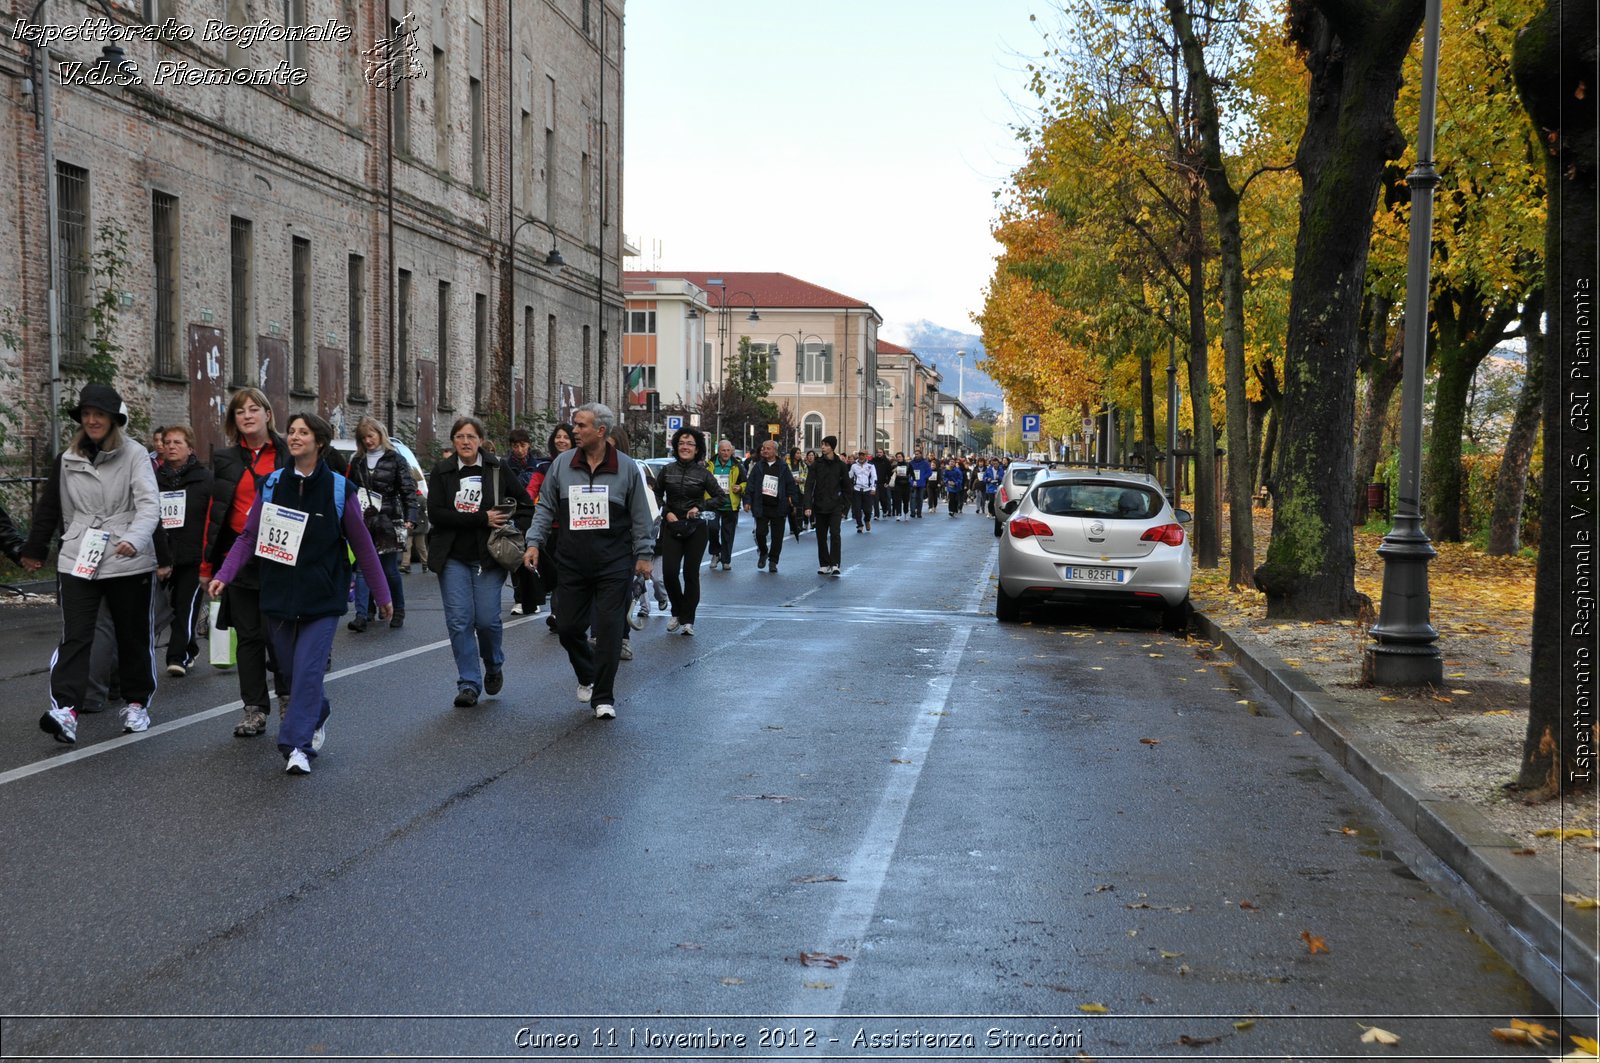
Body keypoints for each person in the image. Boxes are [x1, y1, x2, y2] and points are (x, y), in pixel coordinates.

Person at [208, 412, 391, 774]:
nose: (294, 437)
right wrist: (224, 575)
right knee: (290, 672)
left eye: (303, 433)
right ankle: (318, 711)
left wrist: (383, 595)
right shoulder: (273, 484)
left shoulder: (340, 489)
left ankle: (297, 747)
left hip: (322, 597)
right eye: (291, 432)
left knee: (308, 671)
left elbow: (364, 545)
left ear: (319, 442)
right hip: (277, 595)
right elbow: (249, 537)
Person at [21, 384, 160, 743]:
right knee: (75, 636)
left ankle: (135, 703)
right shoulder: (67, 458)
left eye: (99, 414)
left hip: (127, 556)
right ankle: (66, 710)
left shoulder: (135, 455)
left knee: (131, 636)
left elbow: (149, 505)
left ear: (114, 419)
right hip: (80, 555)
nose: (92, 420)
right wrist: (35, 549)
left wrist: (134, 538)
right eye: (86, 414)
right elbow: (51, 505)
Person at [523, 403, 655, 721]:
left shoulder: (626, 468)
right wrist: (534, 542)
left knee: (609, 631)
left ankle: (603, 697)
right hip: (571, 560)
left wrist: (644, 555)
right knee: (567, 627)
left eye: (581, 425)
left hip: (614, 562)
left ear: (600, 430)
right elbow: (546, 508)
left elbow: (641, 516)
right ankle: (586, 673)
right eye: (574, 425)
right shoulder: (562, 465)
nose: (574, 431)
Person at [204, 387, 293, 738]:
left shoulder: (287, 452)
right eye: (240, 412)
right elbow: (216, 512)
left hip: (281, 557)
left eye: (254, 409)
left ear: (268, 414)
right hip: (239, 558)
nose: (247, 416)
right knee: (249, 638)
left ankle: (287, 697)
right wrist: (207, 565)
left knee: (280, 634)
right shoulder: (226, 459)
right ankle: (254, 709)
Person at [427, 415, 527, 707]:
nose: (466, 442)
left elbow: (525, 504)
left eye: (471, 437)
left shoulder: (496, 468)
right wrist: (481, 518)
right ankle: (469, 683)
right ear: (453, 442)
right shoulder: (443, 471)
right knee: (459, 622)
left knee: (486, 620)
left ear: (481, 441)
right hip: (453, 557)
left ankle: (493, 664)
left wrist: (513, 529)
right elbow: (437, 514)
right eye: (460, 437)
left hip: (490, 556)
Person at [652, 426, 725, 635]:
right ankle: (677, 610)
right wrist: (666, 512)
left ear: (697, 449)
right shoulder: (667, 471)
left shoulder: (703, 473)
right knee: (670, 572)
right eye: (682, 443)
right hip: (672, 526)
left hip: (695, 528)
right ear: (676, 446)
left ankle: (688, 620)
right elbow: (655, 495)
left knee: (691, 574)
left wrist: (699, 508)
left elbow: (721, 497)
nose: (685, 447)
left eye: (690, 444)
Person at [346, 417, 416, 632]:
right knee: (362, 567)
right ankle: (362, 614)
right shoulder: (357, 461)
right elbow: (351, 490)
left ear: (380, 434)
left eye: (371, 435)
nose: (368, 441)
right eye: (364, 437)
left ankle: (398, 609)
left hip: (389, 520)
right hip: (364, 520)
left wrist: (410, 516)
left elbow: (407, 490)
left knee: (389, 569)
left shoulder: (396, 459)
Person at [155, 423, 214, 676]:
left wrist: (210, 555)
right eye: (167, 442)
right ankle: (189, 645)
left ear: (190, 448)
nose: (171, 447)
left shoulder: (204, 479)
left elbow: (212, 519)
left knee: (185, 605)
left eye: (177, 442)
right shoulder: (153, 479)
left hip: (192, 554)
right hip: (161, 553)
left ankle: (176, 656)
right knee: (160, 608)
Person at [529, 423, 574, 632]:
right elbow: (532, 491)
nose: (561, 440)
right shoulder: (543, 467)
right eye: (558, 436)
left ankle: (565, 611)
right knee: (555, 571)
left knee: (568, 570)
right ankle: (557, 612)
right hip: (549, 527)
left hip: (572, 527)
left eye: (566, 437)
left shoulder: (578, 465)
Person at [743, 438, 800, 573]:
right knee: (760, 533)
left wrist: (793, 500)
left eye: (768, 448)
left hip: (779, 507)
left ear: (775, 451)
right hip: (761, 506)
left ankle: (773, 561)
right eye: (763, 448)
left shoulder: (783, 467)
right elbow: (750, 485)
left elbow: (790, 485)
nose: (765, 451)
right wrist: (747, 502)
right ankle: (763, 552)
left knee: (777, 537)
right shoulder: (758, 466)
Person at [504, 427, 543, 617]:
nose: (519, 450)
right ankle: (519, 599)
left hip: (533, 516)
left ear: (529, 445)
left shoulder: (536, 466)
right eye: (515, 446)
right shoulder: (506, 466)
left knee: (532, 556)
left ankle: (533, 598)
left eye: (523, 445)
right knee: (515, 558)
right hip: (513, 516)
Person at [803, 436, 849, 575]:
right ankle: (824, 563)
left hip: (835, 506)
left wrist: (845, 509)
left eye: (826, 445)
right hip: (819, 505)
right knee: (821, 536)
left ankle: (835, 563)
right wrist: (807, 506)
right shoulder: (817, 464)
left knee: (835, 534)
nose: (823, 447)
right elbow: (809, 485)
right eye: (822, 444)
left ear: (832, 447)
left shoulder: (840, 465)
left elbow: (847, 487)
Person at [706, 439, 744, 571]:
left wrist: (740, 488)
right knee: (712, 528)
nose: (726, 453)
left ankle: (726, 560)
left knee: (728, 534)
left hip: (730, 504)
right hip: (713, 504)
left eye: (728, 450)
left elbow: (745, 482)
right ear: (718, 451)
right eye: (723, 450)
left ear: (731, 451)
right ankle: (716, 553)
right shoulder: (709, 465)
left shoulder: (737, 465)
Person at [848, 449, 878, 533]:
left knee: (867, 510)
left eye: (863, 455)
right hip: (857, 489)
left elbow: (874, 477)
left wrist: (873, 488)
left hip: (867, 490)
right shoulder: (854, 465)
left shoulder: (871, 465)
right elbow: (849, 475)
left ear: (866, 455)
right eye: (860, 454)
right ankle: (860, 525)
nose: (861, 456)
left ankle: (867, 520)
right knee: (857, 509)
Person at [889, 451, 911, 521]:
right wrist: (893, 470)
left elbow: (911, 473)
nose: (898, 458)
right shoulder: (894, 465)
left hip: (906, 484)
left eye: (900, 457)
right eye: (897, 457)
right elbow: (889, 472)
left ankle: (906, 513)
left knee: (906, 500)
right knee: (897, 500)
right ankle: (898, 514)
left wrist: (914, 481)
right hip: (898, 484)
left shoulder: (908, 464)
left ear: (903, 457)